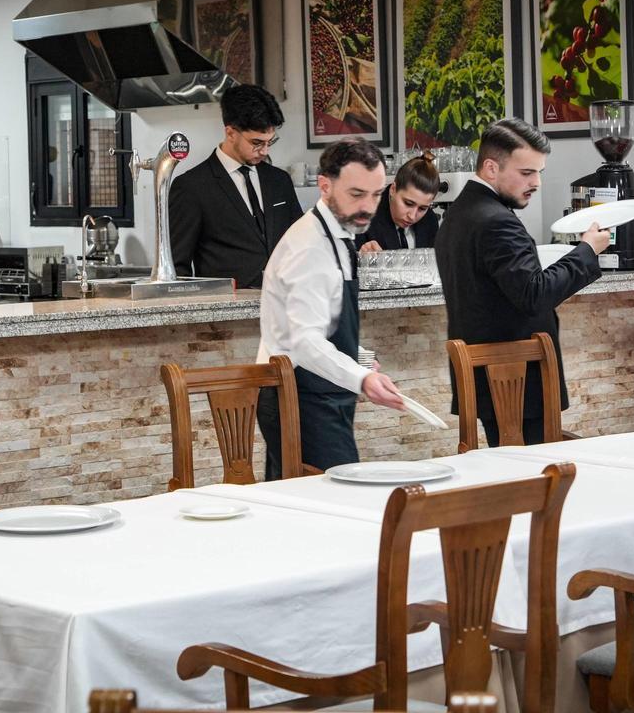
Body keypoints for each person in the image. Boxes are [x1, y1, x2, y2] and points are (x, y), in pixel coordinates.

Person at [434, 118, 609, 447]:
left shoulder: (457, 214)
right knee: (531, 481)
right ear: (490, 168)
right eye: (527, 173)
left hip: (489, 379)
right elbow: (534, 294)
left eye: (539, 172)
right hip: (518, 378)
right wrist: (587, 251)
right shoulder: (497, 222)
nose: (537, 183)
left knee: (507, 471)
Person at [256, 137, 405, 479]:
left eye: (376, 194)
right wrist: (363, 378)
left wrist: (359, 356)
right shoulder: (310, 246)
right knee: (343, 498)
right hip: (299, 395)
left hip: (321, 390)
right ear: (324, 185)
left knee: (306, 507)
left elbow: (325, 322)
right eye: (357, 194)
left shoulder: (339, 233)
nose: (369, 206)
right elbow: (304, 343)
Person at [169, 84, 303, 289]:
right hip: (226, 313)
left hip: (285, 302)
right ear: (230, 132)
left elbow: (301, 241)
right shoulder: (191, 187)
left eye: (270, 142)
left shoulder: (280, 181)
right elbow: (178, 268)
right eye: (256, 143)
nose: (264, 151)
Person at [356, 151, 441, 252]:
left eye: (422, 208)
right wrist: (361, 258)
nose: (412, 216)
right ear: (393, 189)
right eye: (408, 203)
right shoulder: (364, 216)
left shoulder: (430, 221)